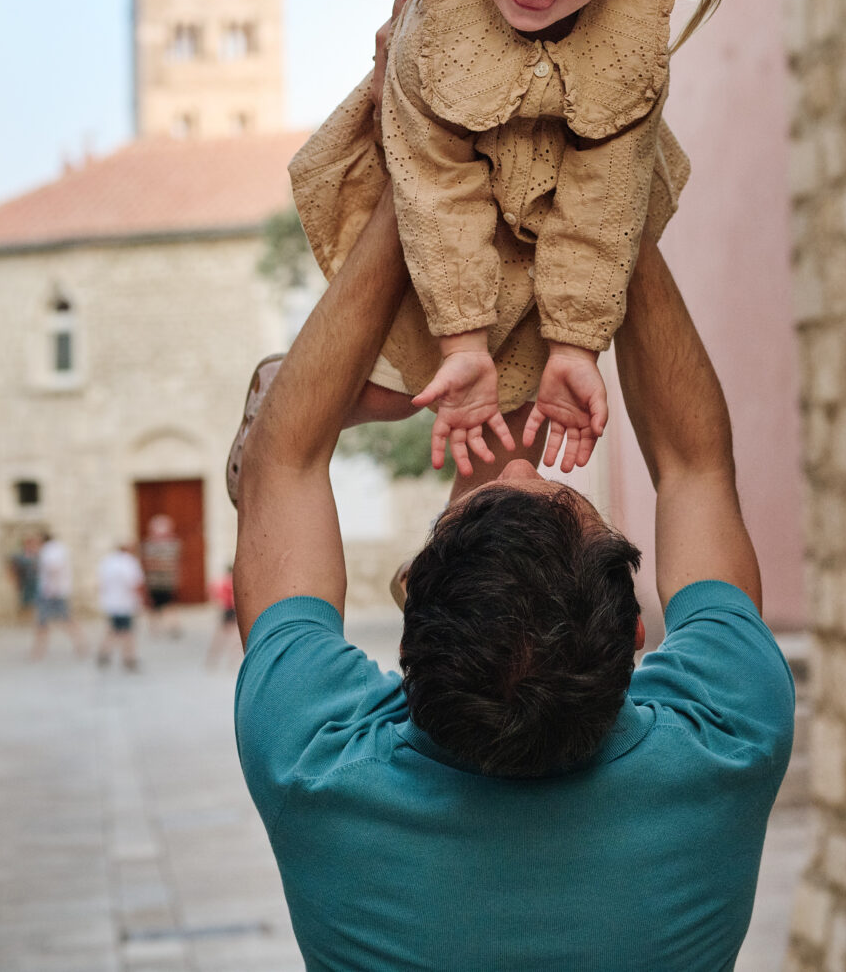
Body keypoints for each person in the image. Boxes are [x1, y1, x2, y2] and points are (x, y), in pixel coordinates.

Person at [230, 181, 792, 970]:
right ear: (636, 633)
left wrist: (415, 175)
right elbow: (697, 465)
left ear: (408, 626)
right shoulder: (727, 736)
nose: (521, 456)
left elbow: (279, 464)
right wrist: (606, 180)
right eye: (555, 481)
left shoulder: (315, 764)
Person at [286, 0, 730, 479]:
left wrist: (575, 346)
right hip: (434, 201)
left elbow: (603, 197)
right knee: (395, 384)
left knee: (515, 416)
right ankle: (277, 387)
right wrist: (463, 342)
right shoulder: (439, 27)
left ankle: (459, 559)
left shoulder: (629, 40)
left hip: (548, 212)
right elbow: (435, 191)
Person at [30, 529, 82, 659]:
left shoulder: (48, 551)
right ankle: (80, 644)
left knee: (43, 622)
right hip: (59, 590)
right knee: (66, 619)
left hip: (50, 592)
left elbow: (53, 568)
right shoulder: (60, 548)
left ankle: (38, 651)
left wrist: (52, 588)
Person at [95, 541, 145, 671]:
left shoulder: (107, 561)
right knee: (127, 631)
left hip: (110, 602)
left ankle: (104, 653)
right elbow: (134, 582)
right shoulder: (128, 562)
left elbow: (101, 582)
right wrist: (141, 600)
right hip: (124, 602)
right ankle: (129, 658)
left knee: (114, 629)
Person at [139, 514, 183, 638]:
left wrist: (158, 564)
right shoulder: (148, 545)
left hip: (167, 581)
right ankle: (155, 630)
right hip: (154, 582)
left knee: (169, 605)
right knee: (153, 607)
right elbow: (147, 562)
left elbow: (174, 563)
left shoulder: (173, 544)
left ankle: (173, 628)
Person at [203, 559, 240, 671]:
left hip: (226, 610)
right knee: (234, 638)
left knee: (220, 637)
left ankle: (212, 659)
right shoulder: (233, 581)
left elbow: (212, 592)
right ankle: (232, 661)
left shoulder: (221, 581)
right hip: (233, 610)